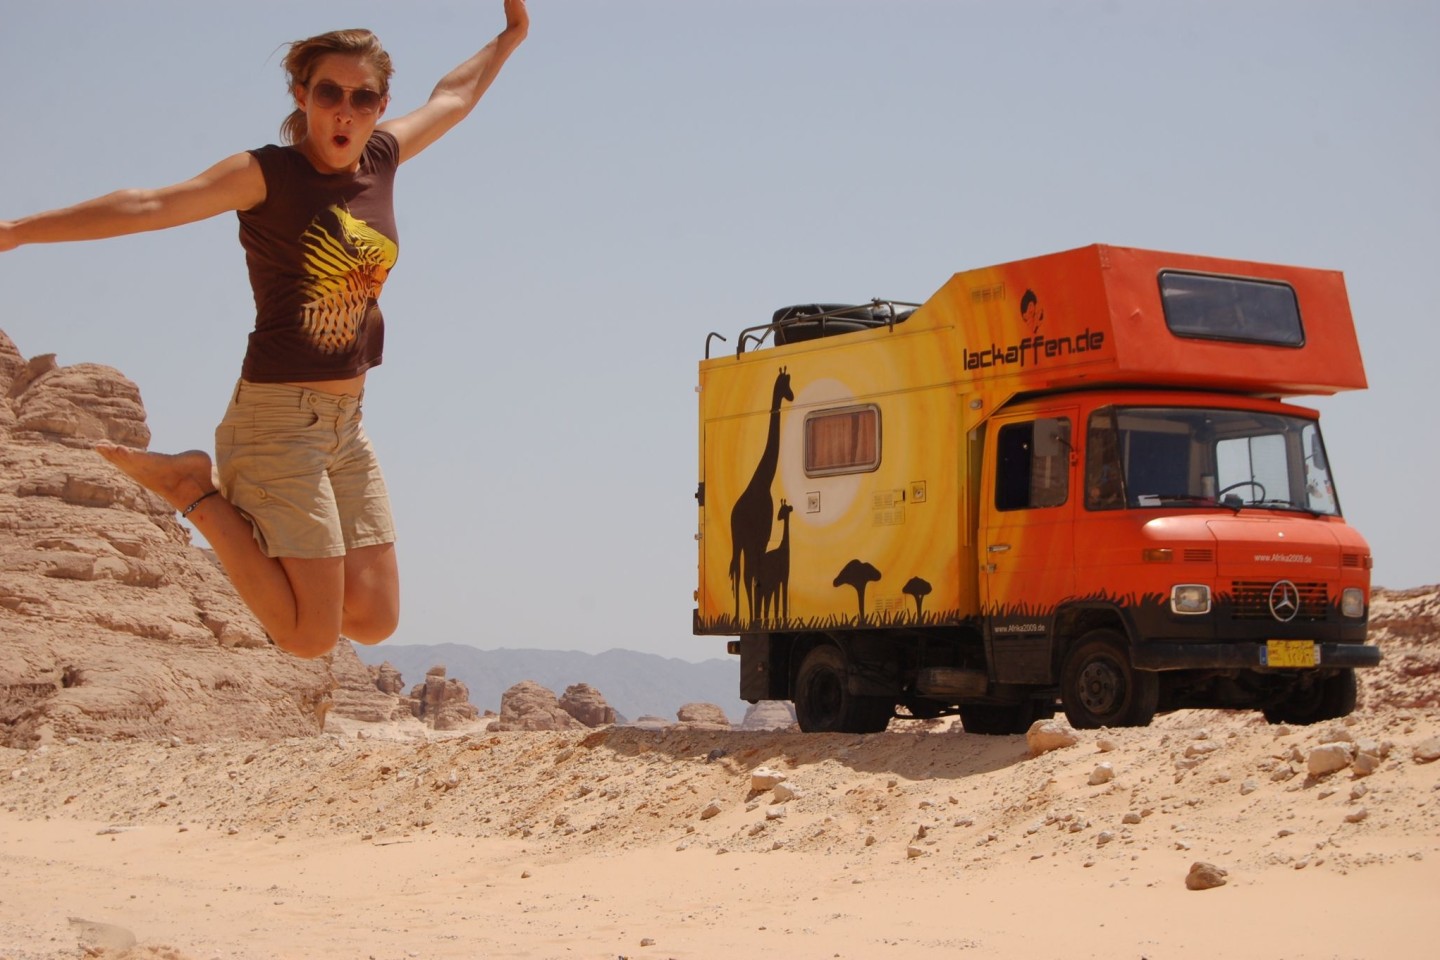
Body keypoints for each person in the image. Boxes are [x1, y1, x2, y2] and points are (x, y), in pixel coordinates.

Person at [0, 1, 530, 659]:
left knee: (372, 619)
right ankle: (192, 490)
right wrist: (18, 233)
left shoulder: (383, 157)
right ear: (302, 94)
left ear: (379, 102)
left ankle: (198, 486)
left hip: (346, 424)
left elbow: (452, 96)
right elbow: (148, 205)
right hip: (276, 420)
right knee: (307, 637)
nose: (346, 109)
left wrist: (509, 37)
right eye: (329, 92)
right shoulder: (265, 175)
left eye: (363, 97)